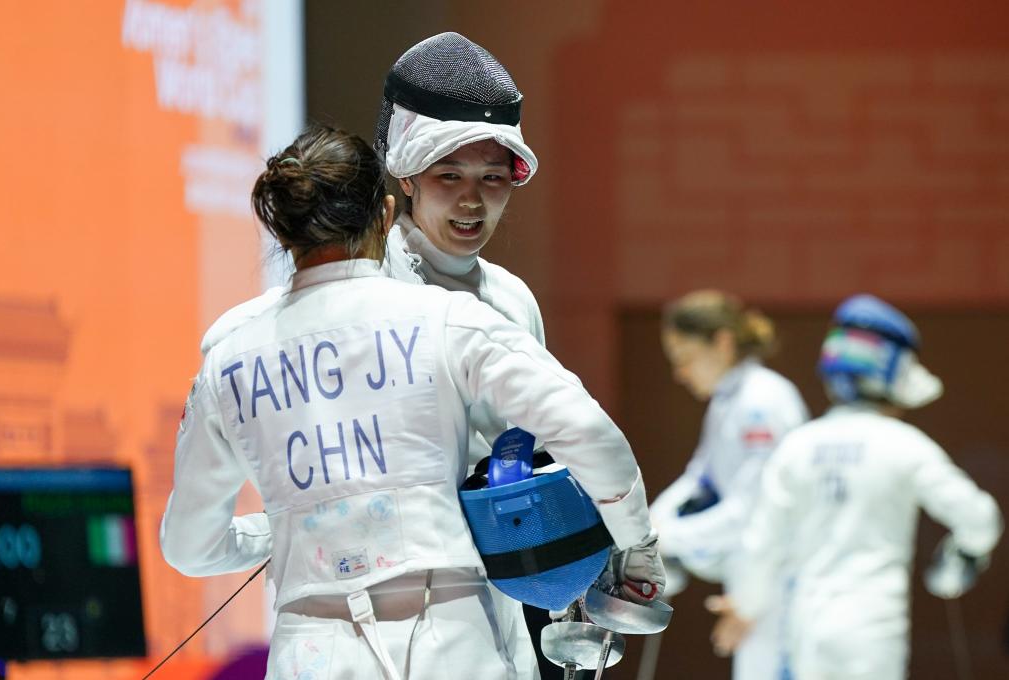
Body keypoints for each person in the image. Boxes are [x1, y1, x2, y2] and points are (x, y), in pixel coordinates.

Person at [160, 124, 665, 680]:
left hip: (310, 654)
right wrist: (636, 546)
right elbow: (587, 433)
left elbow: (191, 547)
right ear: (385, 214)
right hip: (451, 642)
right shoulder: (448, 318)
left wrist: (282, 526)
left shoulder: (229, 356)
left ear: (282, 233)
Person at [200, 32, 554, 677]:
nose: (472, 201)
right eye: (449, 176)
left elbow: (536, 460)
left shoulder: (513, 302)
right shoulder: (353, 296)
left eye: (493, 178)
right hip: (360, 619)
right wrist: (283, 528)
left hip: (487, 616)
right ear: (406, 175)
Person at [713, 294, 1003, 680]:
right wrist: (960, 560)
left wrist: (745, 607)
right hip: (871, 630)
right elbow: (981, 519)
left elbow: (761, 543)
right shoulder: (904, 444)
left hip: (805, 628)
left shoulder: (798, 446)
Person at [647, 290, 809, 680]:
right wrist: (647, 526)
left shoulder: (761, 402)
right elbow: (698, 478)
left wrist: (667, 537)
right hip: (755, 578)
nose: (680, 372)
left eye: (685, 357)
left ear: (722, 343)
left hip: (784, 583)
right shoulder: (727, 401)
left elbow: (754, 510)